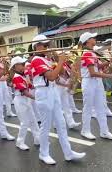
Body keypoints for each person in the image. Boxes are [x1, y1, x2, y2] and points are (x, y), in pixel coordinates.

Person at [30, 34, 86, 165]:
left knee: (61, 124)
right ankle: (43, 153)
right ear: (37, 47)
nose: (48, 47)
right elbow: (50, 76)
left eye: (47, 45)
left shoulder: (46, 60)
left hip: (52, 91)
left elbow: (56, 77)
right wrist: (60, 61)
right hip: (43, 93)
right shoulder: (36, 60)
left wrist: (69, 68)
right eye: (45, 45)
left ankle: (68, 153)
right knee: (46, 126)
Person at [79, 32, 112, 140]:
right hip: (89, 81)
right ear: (88, 40)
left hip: (96, 81)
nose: (95, 38)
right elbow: (92, 73)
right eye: (93, 37)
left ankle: (104, 131)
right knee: (88, 107)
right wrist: (110, 76)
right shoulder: (87, 53)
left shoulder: (92, 53)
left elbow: (97, 67)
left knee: (101, 107)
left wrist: (108, 62)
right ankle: (85, 130)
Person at [10, 56, 39, 150]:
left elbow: (31, 86)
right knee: (25, 122)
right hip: (20, 100)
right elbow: (25, 92)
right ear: (15, 67)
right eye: (21, 64)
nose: (24, 66)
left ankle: (38, 139)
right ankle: (20, 142)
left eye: (23, 64)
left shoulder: (22, 76)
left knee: (33, 120)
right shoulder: (17, 77)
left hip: (25, 100)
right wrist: (38, 98)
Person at [55, 62, 81, 129]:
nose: (66, 57)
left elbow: (70, 76)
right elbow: (56, 81)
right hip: (58, 88)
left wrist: (71, 84)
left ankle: (71, 123)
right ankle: (56, 123)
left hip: (64, 86)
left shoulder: (66, 65)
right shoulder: (56, 65)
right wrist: (66, 85)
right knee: (58, 106)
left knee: (67, 106)